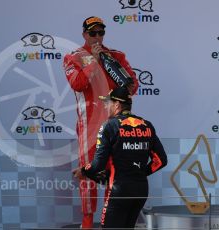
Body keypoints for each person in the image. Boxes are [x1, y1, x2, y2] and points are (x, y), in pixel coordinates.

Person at [63, 16, 139, 228]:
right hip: (90, 128)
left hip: (117, 124)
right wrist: (95, 62)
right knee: (89, 174)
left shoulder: (117, 56)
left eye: (100, 33)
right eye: (92, 33)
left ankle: (110, 220)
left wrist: (116, 74)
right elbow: (77, 84)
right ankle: (86, 223)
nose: (97, 37)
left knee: (115, 173)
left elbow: (133, 85)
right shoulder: (73, 57)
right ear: (84, 34)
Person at [73, 87, 167, 229]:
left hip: (119, 189)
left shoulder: (109, 126)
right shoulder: (146, 125)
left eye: (107, 103)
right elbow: (161, 160)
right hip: (140, 189)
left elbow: (98, 164)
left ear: (117, 105)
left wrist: (84, 171)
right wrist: (140, 172)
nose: (105, 106)